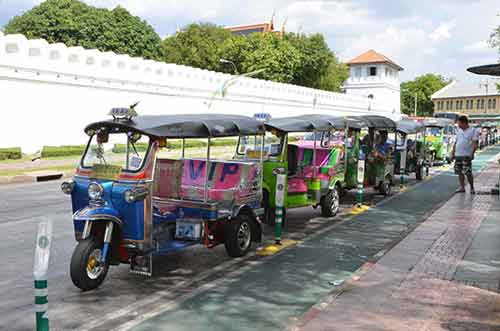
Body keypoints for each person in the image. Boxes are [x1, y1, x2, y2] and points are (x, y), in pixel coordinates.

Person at [451, 116, 479, 194]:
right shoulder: (459, 131)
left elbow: (475, 143)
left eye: (459, 123)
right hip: (458, 155)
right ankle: (462, 187)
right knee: (459, 172)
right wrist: (453, 152)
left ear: (464, 123)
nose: (458, 125)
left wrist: (472, 153)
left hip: (466, 155)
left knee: (468, 172)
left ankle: (472, 188)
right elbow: (456, 142)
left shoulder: (473, 131)